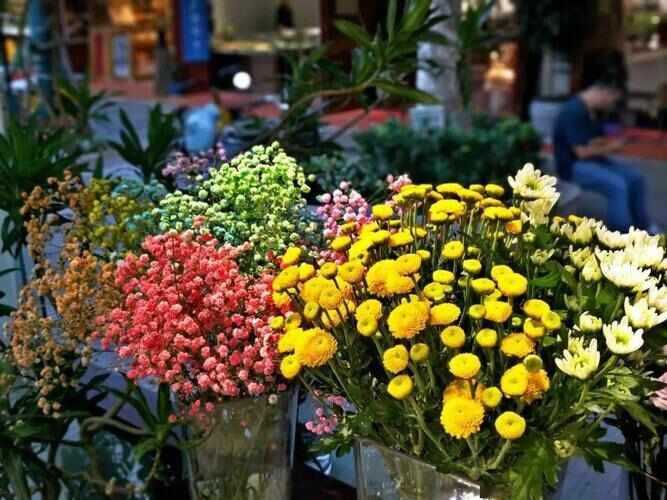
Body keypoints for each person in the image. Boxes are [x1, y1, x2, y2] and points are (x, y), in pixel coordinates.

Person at [553, 80, 655, 232]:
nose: (611, 105)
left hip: (593, 161)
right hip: (572, 166)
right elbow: (581, 152)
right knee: (618, 185)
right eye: (612, 101)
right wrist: (611, 147)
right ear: (603, 93)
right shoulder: (573, 111)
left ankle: (643, 227)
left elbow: (591, 139)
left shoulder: (590, 110)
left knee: (636, 178)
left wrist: (611, 142)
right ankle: (621, 234)